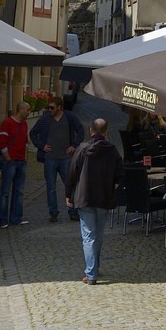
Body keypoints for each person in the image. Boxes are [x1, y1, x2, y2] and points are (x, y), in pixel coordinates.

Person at [65, 118, 124, 284]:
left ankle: (91, 273)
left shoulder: (82, 149)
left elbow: (72, 173)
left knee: (89, 236)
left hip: (85, 197)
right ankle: (94, 268)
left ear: (91, 131)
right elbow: (120, 173)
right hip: (104, 197)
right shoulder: (112, 150)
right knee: (98, 234)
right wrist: (111, 187)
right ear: (105, 132)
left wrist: (68, 195)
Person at [29, 96, 85, 222]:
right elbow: (33, 133)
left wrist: (74, 145)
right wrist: (41, 146)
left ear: (60, 107)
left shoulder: (69, 117)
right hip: (50, 158)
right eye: (48, 107)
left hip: (65, 158)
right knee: (51, 187)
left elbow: (80, 130)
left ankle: (73, 211)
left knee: (69, 185)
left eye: (52, 108)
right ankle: (53, 212)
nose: (50, 110)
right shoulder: (45, 119)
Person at [0, 102, 31, 229]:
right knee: (5, 191)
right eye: (27, 110)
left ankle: (16, 218)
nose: (29, 112)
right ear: (20, 110)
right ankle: (2, 220)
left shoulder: (25, 124)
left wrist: (25, 158)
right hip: (10, 162)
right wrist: (8, 159)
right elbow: (2, 143)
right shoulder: (7, 123)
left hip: (21, 161)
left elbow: (25, 141)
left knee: (19, 191)